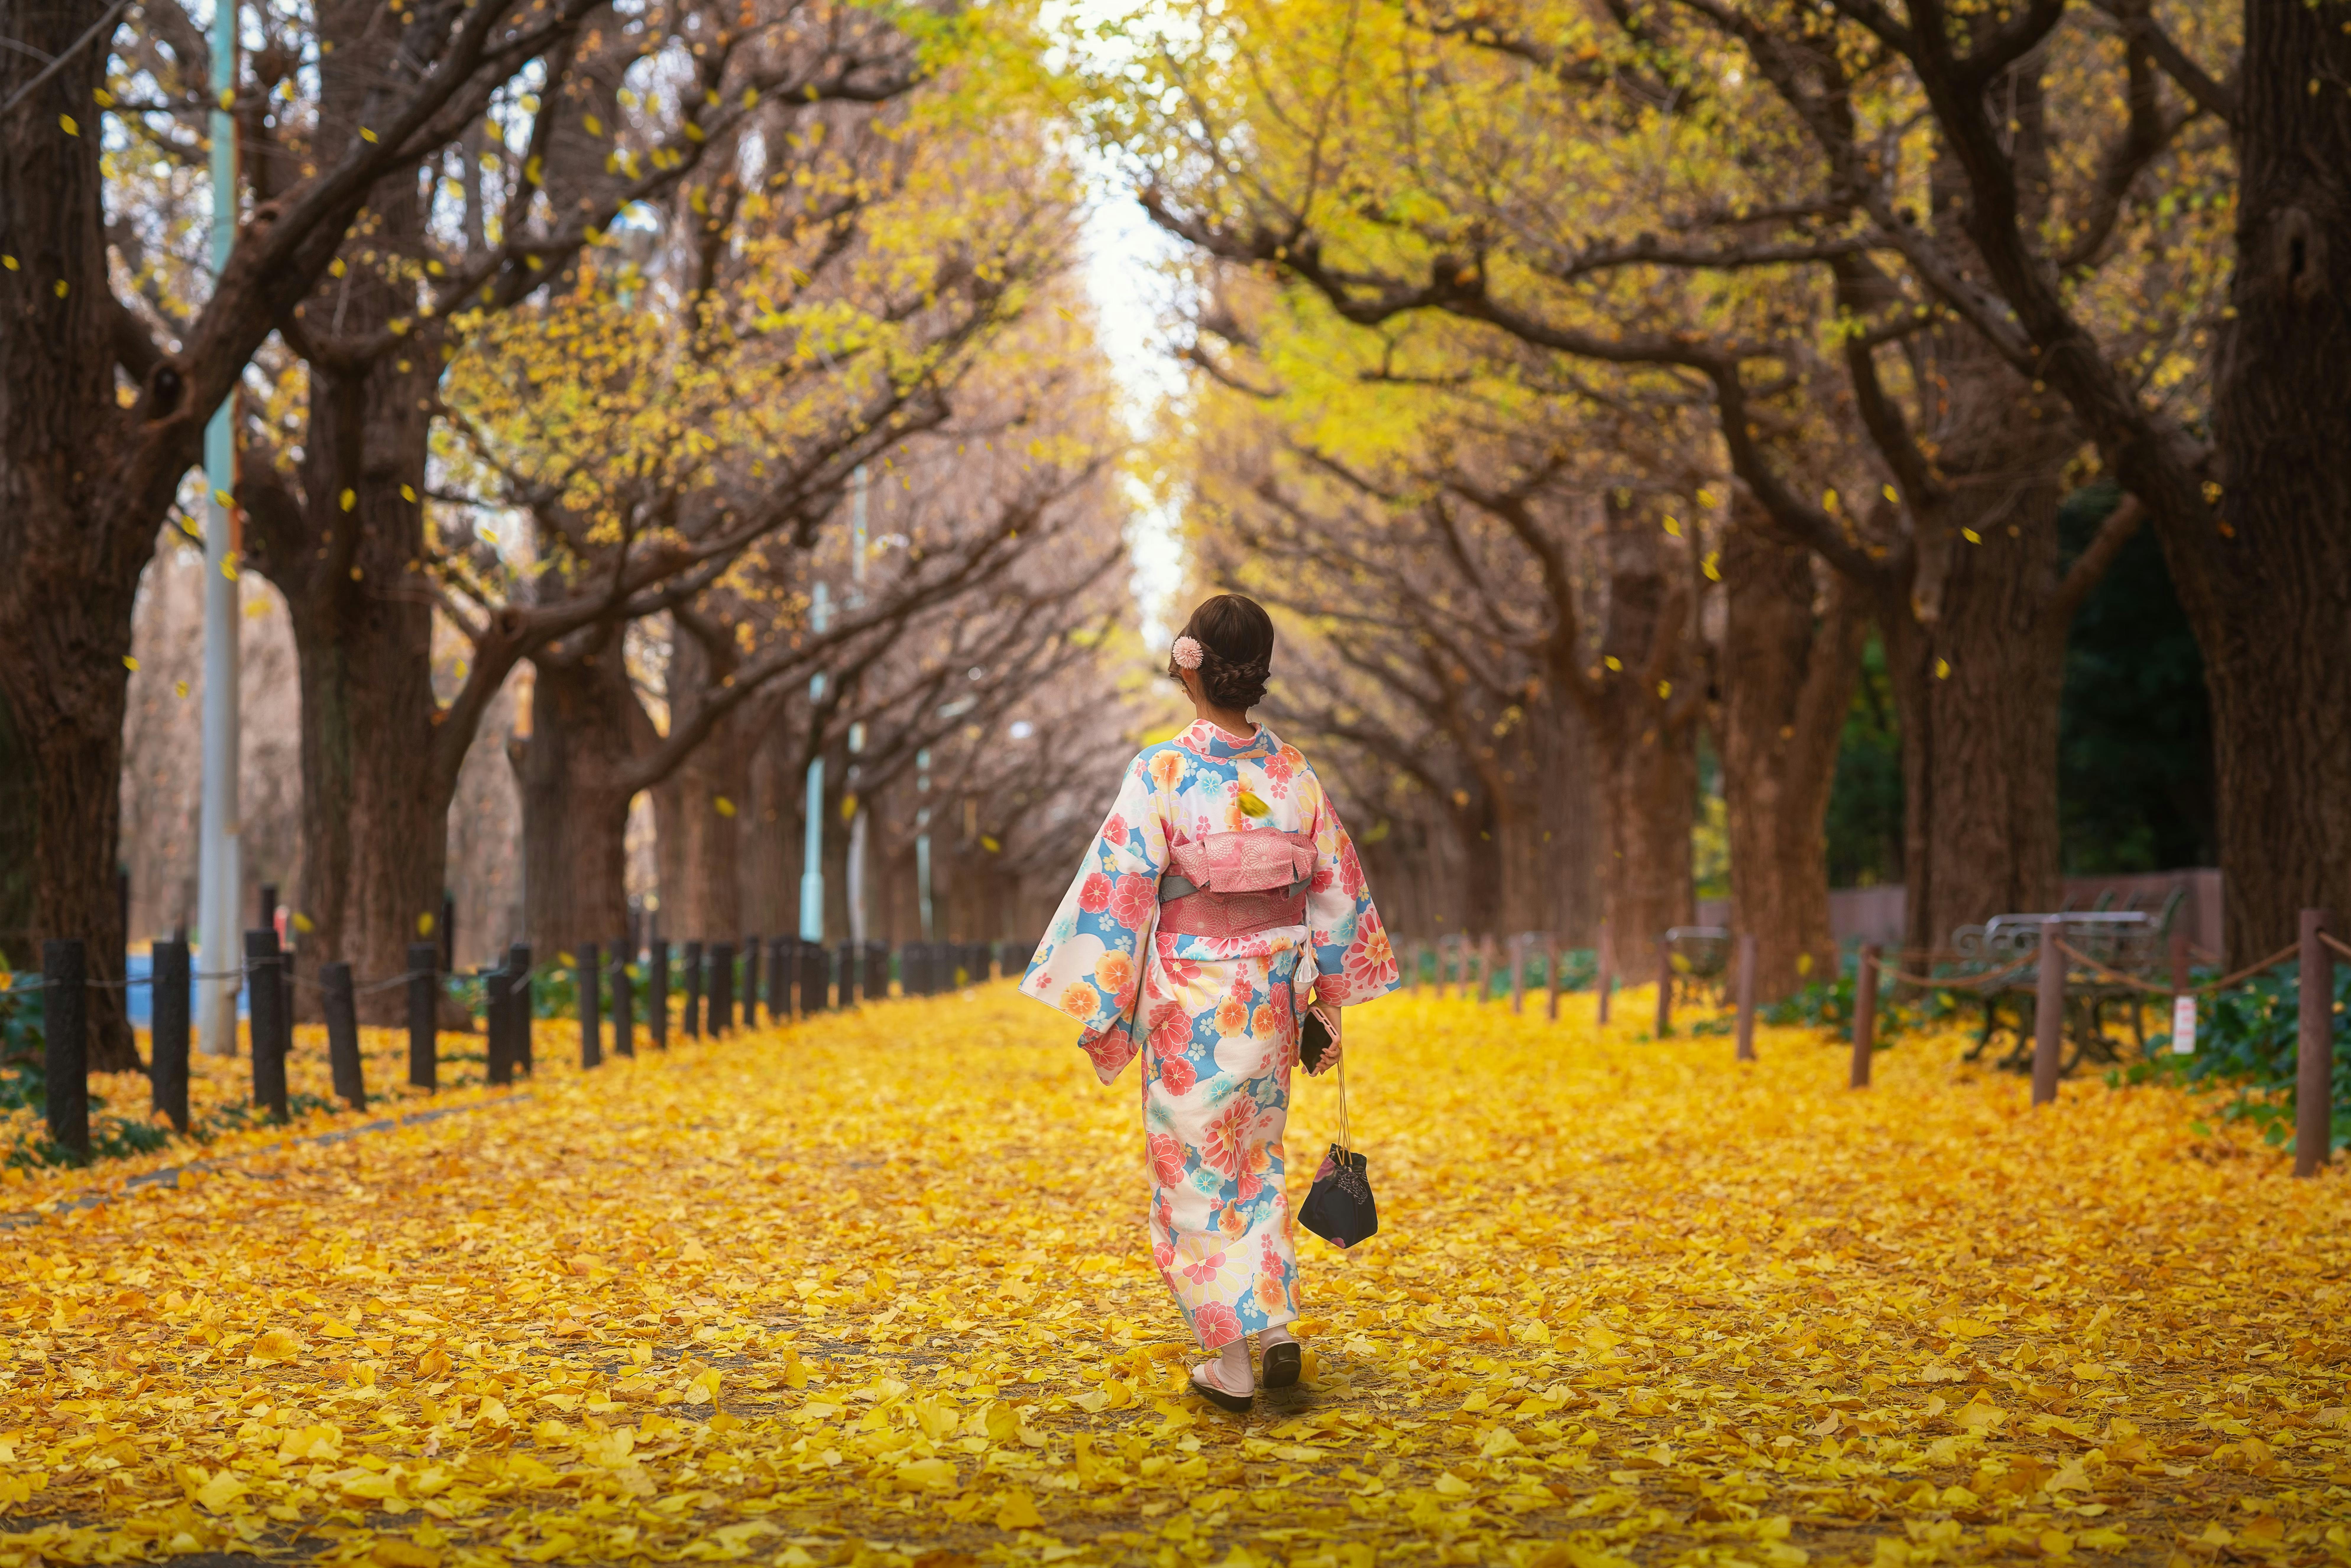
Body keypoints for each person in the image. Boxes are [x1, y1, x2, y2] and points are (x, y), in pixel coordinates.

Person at [1020, 593, 1400, 1413]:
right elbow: (1335, 892)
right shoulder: (1292, 772)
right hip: (1271, 997)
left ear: (1188, 665)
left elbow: (1120, 894)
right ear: (1256, 670)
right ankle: (1277, 1327)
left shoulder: (1163, 772)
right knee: (1257, 1163)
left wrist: (1103, 1001)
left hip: (1193, 1004)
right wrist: (1326, 1000)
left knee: (1195, 1175)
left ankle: (1231, 1363)